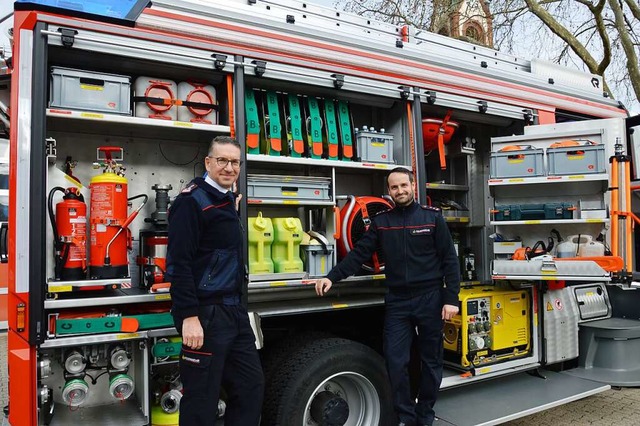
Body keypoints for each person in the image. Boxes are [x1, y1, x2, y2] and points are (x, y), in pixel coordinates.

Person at [316, 167, 460, 426]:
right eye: (394, 187)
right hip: (398, 301)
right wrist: (331, 276)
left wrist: (451, 299)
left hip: (431, 298)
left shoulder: (432, 218)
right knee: (395, 361)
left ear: (413, 186)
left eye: (404, 185)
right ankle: (405, 416)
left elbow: (450, 260)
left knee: (431, 361)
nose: (400, 191)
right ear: (389, 191)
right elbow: (359, 254)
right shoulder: (382, 222)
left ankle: (425, 414)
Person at [167, 136, 264, 425]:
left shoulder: (223, 199)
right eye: (222, 160)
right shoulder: (191, 202)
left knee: (250, 387)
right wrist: (189, 317)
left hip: (233, 312)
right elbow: (179, 264)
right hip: (206, 315)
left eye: (235, 162)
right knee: (201, 400)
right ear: (208, 162)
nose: (229, 167)